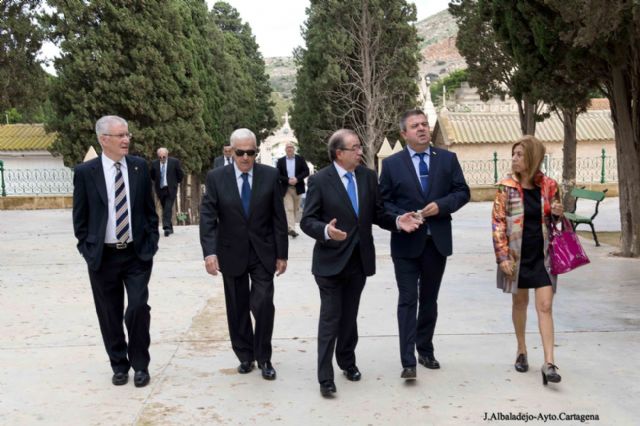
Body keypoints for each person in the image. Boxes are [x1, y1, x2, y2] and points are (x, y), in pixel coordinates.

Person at [300, 129, 421, 397]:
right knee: (330, 318)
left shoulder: (367, 177)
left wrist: (398, 221)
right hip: (330, 262)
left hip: (358, 260)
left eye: (359, 147)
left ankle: (347, 361)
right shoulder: (320, 180)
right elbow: (307, 221)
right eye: (354, 148)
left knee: (349, 316)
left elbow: (378, 214)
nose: (360, 152)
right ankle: (325, 377)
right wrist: (326, 231)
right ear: (338, 153)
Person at [379, 109, 470, 380]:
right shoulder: (392, 164)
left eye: (424, 124)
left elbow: (462, 192)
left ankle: (425, 349)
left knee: (429, 299)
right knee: (408, 300)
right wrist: (401, 217)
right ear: (403, 133)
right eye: (414, 126)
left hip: (436, 242)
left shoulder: (447, 159)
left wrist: (441, 206)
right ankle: (408, 361)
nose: (421, 128)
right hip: (405, 243)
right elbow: (383, 202)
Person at [72, 115, 159, 387]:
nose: (126, 140)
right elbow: (80, 218)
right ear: (103, 139)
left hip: (136, 254)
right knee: (109, 313)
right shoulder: (86, 172)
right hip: (103, 256)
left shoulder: (139, 167)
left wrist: (151, 242)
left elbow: (149, 210)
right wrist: (87, 249)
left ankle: (141, 365)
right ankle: (119, 364)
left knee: (137, 307)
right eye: (120, 135)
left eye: (127, 134)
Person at [200, 128, 288, 381]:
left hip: (263, 252)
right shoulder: (217, 178)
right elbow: (208, 217)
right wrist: (209, 252)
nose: (246, 157)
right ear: (231, 151)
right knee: (237, 307)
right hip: (231, 252)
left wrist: (282, 254)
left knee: (263, 303)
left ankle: (264, 356)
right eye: (240, 153)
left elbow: (278, 217)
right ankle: (245, 355)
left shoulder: (270, 176)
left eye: (251, 152)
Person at [491, 135, 564, 386]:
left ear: (532, 158)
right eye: (513, 154)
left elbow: (556, 224)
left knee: (545, 306)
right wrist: (502, 256)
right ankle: (521, 349)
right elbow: (498, 223)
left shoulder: (550, 186)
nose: (514, 159)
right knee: (520, 303)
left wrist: (557, 215)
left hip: (543, 256)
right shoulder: (506, 187)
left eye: (520, 155)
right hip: (517, 255)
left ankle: (549, 363)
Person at [276, 142, 310, 237]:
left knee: (295, 209)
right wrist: (287, 180)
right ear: (285, 150)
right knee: (289, 208)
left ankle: (290, 227)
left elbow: (306, 171)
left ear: (294, 149)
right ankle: (292, 229)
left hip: (298, 188)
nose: (289, 149)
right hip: (286, 188)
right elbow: (277, 174)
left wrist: (297, 179)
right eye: (287, 147)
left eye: (291, 147)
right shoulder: (280, 161)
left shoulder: (300, 159)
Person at [150, 147, 184, 237]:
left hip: (171, 189)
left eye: (164, 157)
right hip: (160, 189)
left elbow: (180, 174)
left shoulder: (174, 162)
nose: (162, 159)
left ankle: (166, 227)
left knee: (168, 207)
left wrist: (174, 183)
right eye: (160, 157)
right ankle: (170, 228)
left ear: (167, 155)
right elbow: (152, 176)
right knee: (165, 208)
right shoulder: (154, 163)